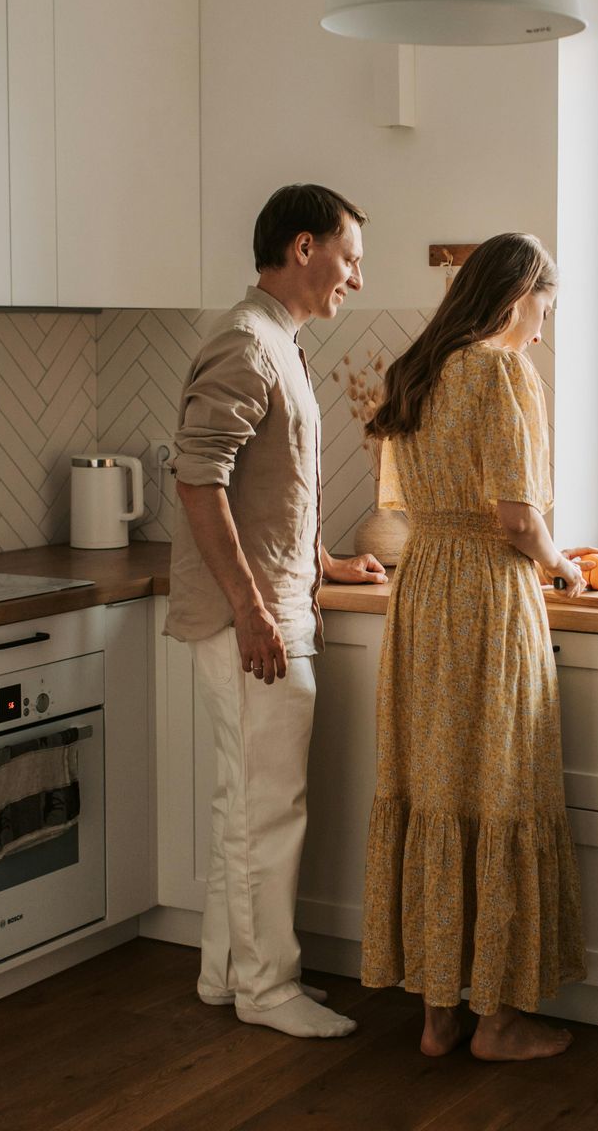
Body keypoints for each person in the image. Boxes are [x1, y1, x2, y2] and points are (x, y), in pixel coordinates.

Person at [359, 232, 589, 1062]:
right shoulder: (499, 372)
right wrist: (564, 568)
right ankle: (496, 1019)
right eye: (543, 309)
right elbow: (518, 520)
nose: (541, 328)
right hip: (489, 599)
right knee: (498, 788)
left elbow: (416, 503)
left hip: (422, 592)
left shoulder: (416, 371)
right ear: (515, 295)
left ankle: (436, 1015)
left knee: (433, 789)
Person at [166, 184, 387, 1039]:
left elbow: (269, 486)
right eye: (350, 259)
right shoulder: (247, 346)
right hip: (251, 622)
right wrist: (253, 609)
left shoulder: (277, 343)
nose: (356, 281)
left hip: (271, 603)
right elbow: (198, 480)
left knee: (243, 804)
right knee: (268, 810)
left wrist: (325, 560)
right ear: (304, 248)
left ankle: (227, 975)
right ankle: (268, 990)